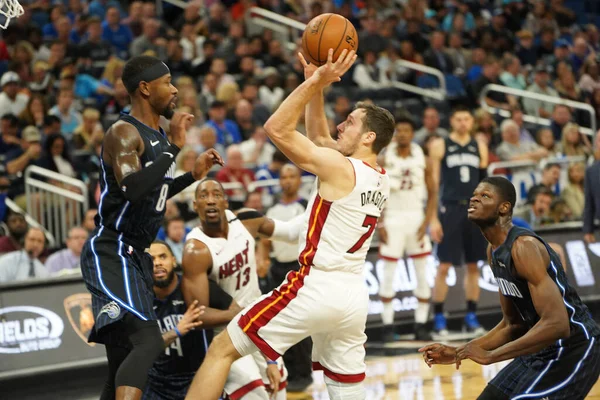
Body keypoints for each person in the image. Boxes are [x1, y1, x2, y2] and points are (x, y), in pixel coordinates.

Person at [186, 49, 395, 400]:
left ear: (369, 137)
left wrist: (314, 81)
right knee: (348, 389)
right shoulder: (379, 177)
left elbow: (276, 129)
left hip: (315, 285)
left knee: (222, 349)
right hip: (353, 297)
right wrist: (316, 86)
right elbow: (319, 139)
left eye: (352, 122)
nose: (341, 124)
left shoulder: (341, 168)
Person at [79, 55, 223, 400]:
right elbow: (131, 187)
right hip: (112, 249)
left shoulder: (155, 135)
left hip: (134, 255)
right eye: (167, 82)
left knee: (122, 360)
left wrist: (192, 176)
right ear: (145, 88)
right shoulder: (124, 132)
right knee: (148, 340)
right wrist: (173, 148)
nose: (175, 90)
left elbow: (153, 191)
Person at [420, 176, 600, 400]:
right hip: (540, 347)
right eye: (474, 195)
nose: (474, 199)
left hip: (574, 347)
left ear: (504, 208)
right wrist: (459, 352)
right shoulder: (493, 250)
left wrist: (490, 356)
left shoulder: (523, 247)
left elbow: (557, 324)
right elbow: (513, 324)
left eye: (484, 196)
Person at [181, 179, 289, 399]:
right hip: (227, 332)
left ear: (225, 201)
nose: (210, 200)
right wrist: (236, 314)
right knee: (253, 393)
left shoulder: (245, 222)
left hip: (259, 323)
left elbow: (287, 232)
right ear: (195, 205)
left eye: (216, 194)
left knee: (279, 384)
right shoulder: (196, 249)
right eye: (203, 196)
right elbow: (198, 315)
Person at [144, 240, 237, 400]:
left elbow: (237, 313)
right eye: (151, 259)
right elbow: (143, 349)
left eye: (162, 257)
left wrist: (270, 361)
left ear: (173, 260)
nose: (157, 263)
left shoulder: (195, 286)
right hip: (158, 383)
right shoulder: (140, 299)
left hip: (199, 376)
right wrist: (177, 331)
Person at [429, 107, 489, 336]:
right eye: (458, 118)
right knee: (444, 265)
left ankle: (471, 316)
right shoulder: (440, 145)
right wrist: (433, 218)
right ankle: (439, 317)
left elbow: (486, 185)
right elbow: (434, 185)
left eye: (466, 118)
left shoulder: (480, 146)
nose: (463, 122)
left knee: (474, 265)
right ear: (452, 121)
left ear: (472, 121)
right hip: (451, 208)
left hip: (475, 210)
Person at [377, 114, 437, 341]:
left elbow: (433, 193)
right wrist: (379, 222)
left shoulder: (424, 158)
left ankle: (421, 323)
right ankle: (386, 325)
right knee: (388, 273)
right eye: (398, 130)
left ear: (412, 134)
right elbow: (376, 190)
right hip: (392, 217)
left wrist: (427, 221)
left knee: (422, 272)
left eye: (406, 130)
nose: (402, 134)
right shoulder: (383, 157)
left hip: (416, 217)